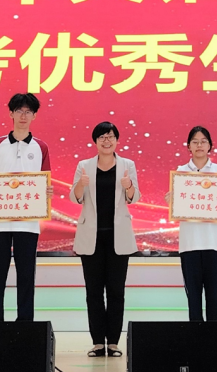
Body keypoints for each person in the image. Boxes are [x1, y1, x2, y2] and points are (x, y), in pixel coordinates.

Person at [0, 93, 53, 322]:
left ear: (34, 116)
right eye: (19, 111)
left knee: (26, 276)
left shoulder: (41, 147)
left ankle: (25, 325)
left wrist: (46, 192)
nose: (23, 116)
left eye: (28, 111)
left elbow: (44, 181)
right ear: (10, 113)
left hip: (28, 224)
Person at [71, 121, 140, 358]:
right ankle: (98, 342)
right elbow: (75, 197)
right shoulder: (84, 166)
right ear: (95, 141)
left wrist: (129, 186)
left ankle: (114, 342)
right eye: (102, 137)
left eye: (110, 136)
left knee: (116, 292)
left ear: (117, 140)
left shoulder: (127, 165)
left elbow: (134, 197)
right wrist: (80, 185)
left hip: (118, 237)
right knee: (93, 292)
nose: (106, 141)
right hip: (91, 237)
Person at [164, 126, 217, 322]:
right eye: (195, 142)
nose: (199, 145)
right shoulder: (181, 173)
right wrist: (173, 201)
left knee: (214, 299)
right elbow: (178, 208)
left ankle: (214, 339)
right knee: (194, 300)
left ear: (210, 146)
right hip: (190, 245)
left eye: (203, 141)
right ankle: (196, 339)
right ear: (188, 146)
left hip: (215, 244)